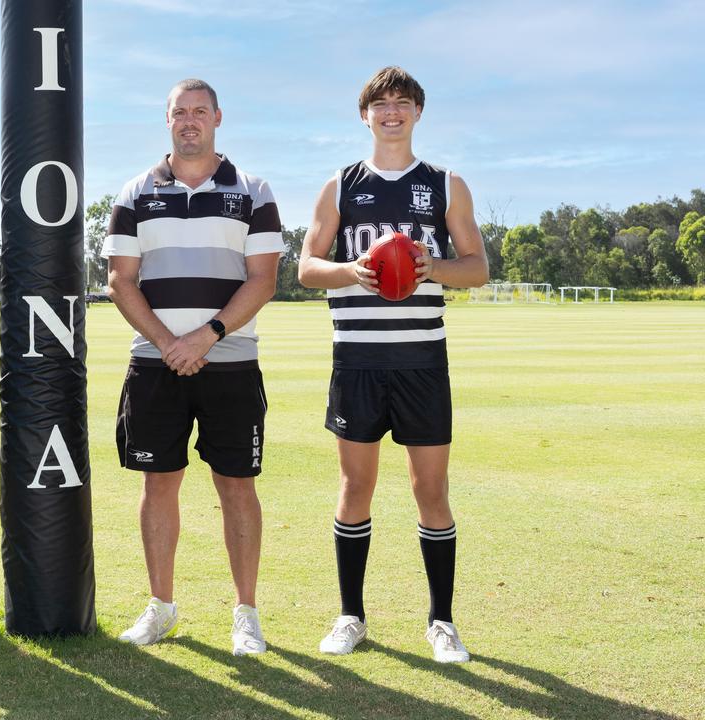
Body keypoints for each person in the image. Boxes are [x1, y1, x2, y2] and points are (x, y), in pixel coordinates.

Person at [297, 66, 488, 663]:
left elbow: (478, 267)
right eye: (380, 104)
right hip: (356, 360)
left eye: (402, 103)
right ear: (365, 115)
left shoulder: (446, 183)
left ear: (417, 113)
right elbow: (305, 267)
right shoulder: (339, 186)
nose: (391, 113)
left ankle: (442, 622)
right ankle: (351, 615)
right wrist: (353, 271)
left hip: (421, 361)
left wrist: (432, 268)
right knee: (356, 487)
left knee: (430, 489)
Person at [103, 79, 285, 656]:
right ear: (167, 121)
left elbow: (263, 278)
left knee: (237, 486)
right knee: (160, 482)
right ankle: (161, 606)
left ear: (217, 119)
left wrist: (204, 337)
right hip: (156, 363)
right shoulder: (135, 192)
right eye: (179, 113)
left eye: (199, 112)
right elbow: (119, 281)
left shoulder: (252, 191)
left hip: (230, 360)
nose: (189, 122)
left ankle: (246, 614)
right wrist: (169, 343)